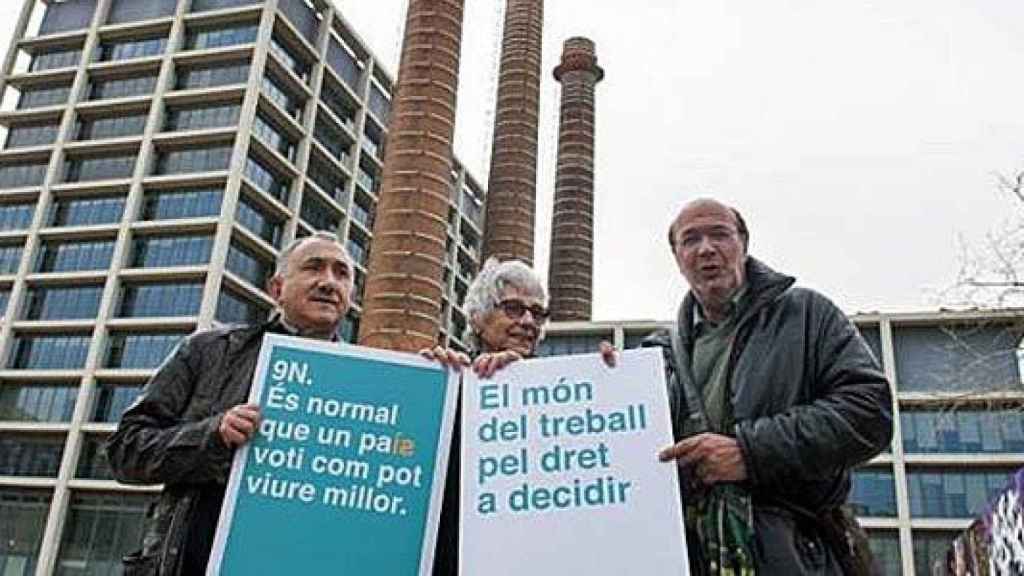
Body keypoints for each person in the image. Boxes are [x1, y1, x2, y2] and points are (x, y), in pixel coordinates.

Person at [650, 199, 893, 575]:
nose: (706, 249)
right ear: (677, 256)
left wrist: (750, 452)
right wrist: (606, 378)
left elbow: (868, 413)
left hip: (794, 551)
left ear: (743, 244)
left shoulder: (808, 315)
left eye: (719, 234)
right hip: (690, 553)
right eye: (691, 239)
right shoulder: (659, 354)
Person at [106, 231, 353, 575]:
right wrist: (213, 435)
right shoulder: (209, 351)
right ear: (277, 289)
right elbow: (125, 452)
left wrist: (446, 380)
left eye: (341, 273)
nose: (329, 282)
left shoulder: (369, 383)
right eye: (314, 268)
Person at [420, 258, 550, 575]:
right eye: (514, 309)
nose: (529, 321)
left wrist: (608, 376)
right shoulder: (449, 378)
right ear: (478, 319)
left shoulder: (558, 389)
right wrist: (427, 381)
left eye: (538, 313)